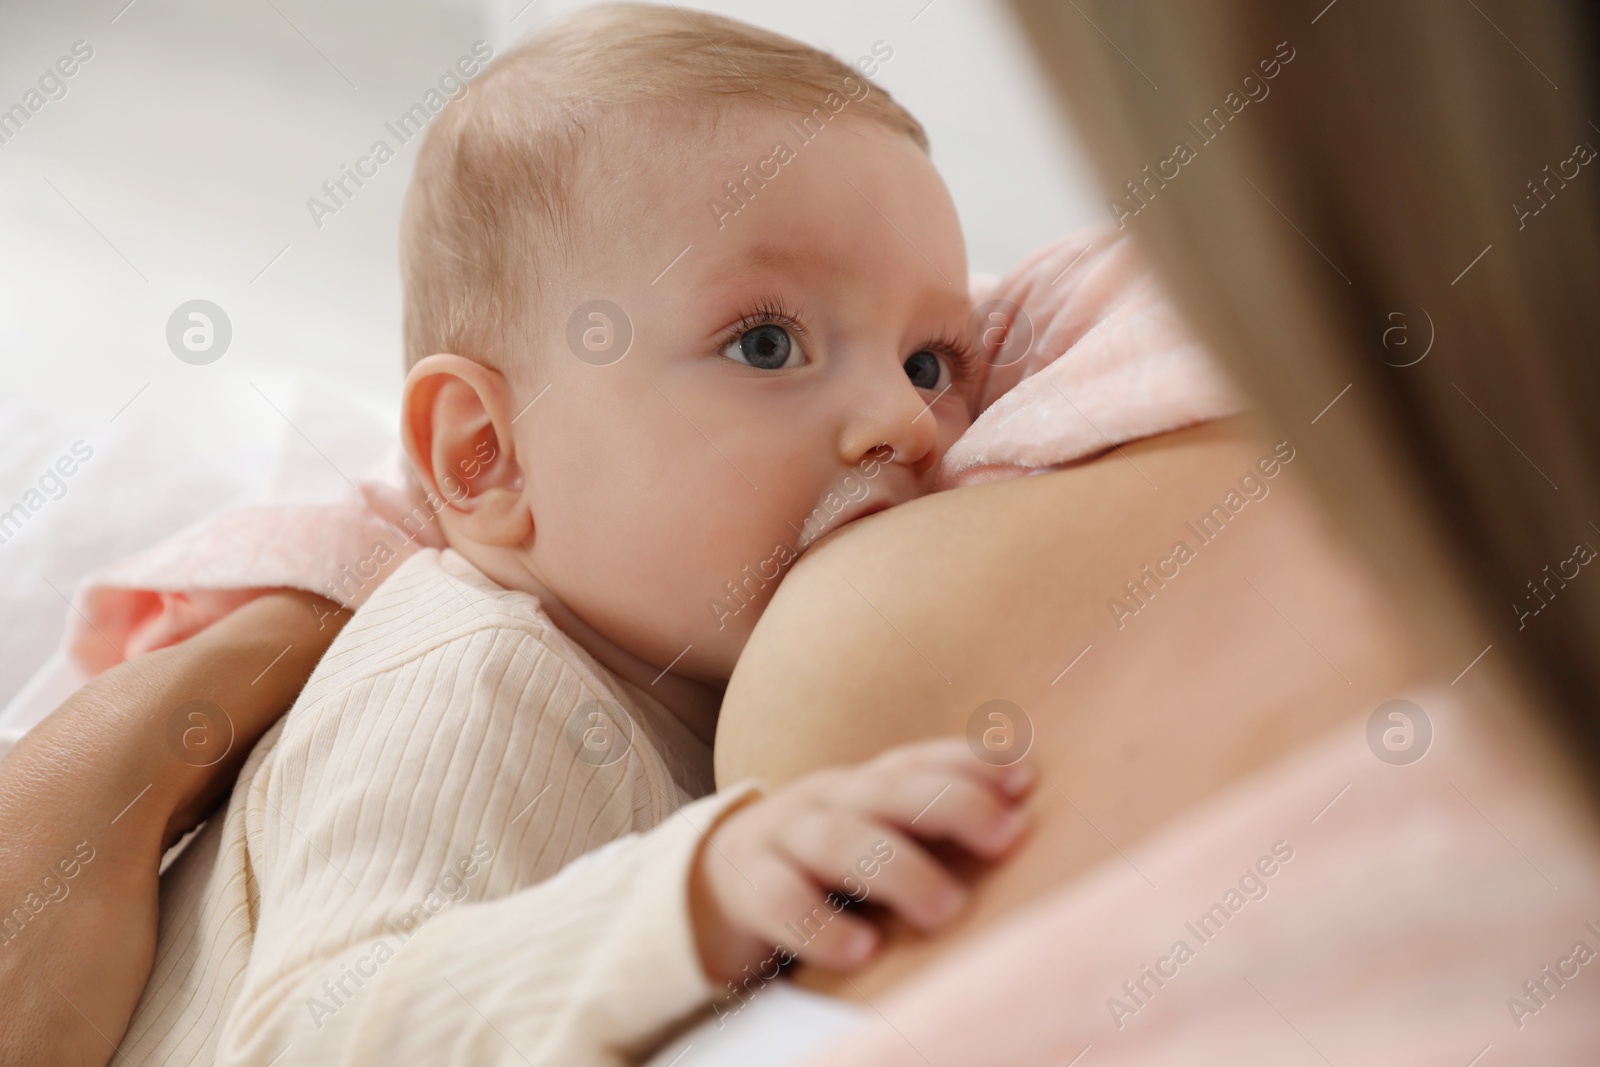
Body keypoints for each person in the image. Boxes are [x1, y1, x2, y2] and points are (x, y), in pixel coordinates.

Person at [9, 1, 1600, 1064]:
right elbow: (317, 1032)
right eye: (767, 344)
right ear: (484, 455)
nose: (908, 423)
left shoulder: (657, 652)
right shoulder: (472, 680)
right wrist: (692, 898)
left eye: (931, 358)